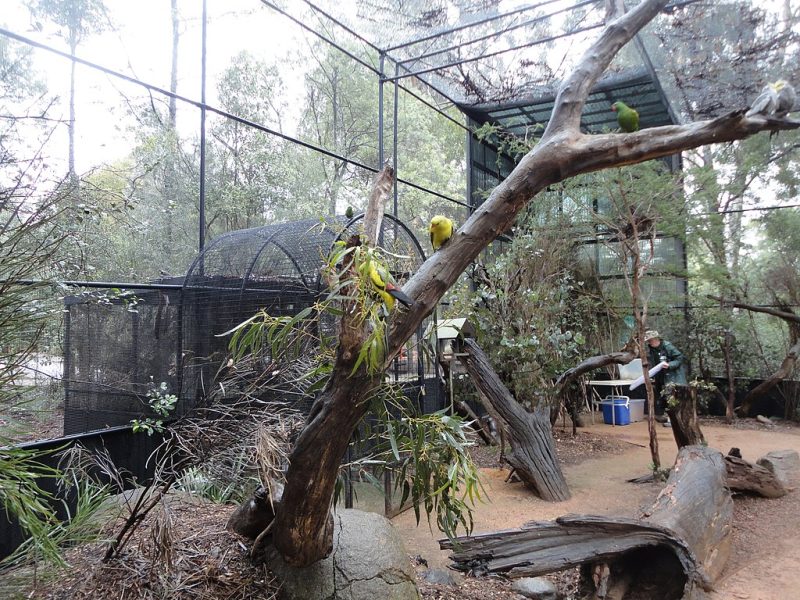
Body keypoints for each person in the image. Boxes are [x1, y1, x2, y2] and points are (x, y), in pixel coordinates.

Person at [644, 330, 687, 427]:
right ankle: (669, 417)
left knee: (672, 397)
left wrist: (670, 365)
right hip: (661, 376)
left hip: (674, 376)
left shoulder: (667, 346)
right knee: (664, 397)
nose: (649, 343)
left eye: (650, 340)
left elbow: (679, 358)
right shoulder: (652, 349)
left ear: (655, 339)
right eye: (648, 341)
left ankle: (675, 420)